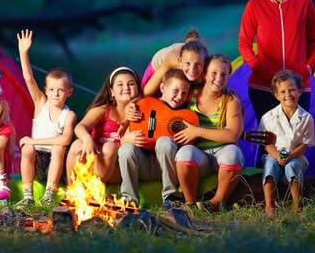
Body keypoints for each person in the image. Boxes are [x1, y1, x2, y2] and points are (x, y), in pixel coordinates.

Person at [238, 0, 315, 120]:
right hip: (263, 86)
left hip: (298, 85)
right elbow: (244, 43)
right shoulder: (254, 6)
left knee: (296, 139)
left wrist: (309, 67)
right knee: (268, 140)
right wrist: (257, 67)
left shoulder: (304, 2)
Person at [174, 55, 245, 212]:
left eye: (224, 75)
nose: (218, 78)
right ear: (205, 73)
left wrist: (197, 131)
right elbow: (167, 104)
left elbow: (232, 135)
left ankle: (216, 203)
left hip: (223, 152)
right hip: (200, 156)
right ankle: (190, 203)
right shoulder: (190, 94)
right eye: (214, 73)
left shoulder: (231, 100)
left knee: (234, 153)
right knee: (184, 153)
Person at [15, 29, 77, 207]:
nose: (55, 94)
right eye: (51, 90)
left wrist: (33, 141)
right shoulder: (41, 102)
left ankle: (49, 194)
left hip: (56, 165)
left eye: (60, 90)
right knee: (27, 149)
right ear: (46, 90)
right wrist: (23, 52)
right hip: (36, 163)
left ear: (69, 92)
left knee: (58, 148)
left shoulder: (69, 115)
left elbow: (65, 140)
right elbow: (28, 78)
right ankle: (28, 197)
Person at [119, 69, 191, 208]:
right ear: (163, 87)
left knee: (165, 141)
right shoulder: (145, 106)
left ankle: (171, 198)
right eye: (175, 90)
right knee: (126, 150)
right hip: (142, 165)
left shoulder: (186, 114)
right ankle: (129, 201)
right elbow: (123, 139)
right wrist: (127, 139)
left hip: (167, 167)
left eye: (184, 93)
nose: (179, 96)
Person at [66, 66, 141, 186]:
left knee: (110, 147)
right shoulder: (103, 110)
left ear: (137, 88)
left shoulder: (142, 113)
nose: (126, 88)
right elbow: (80, 126)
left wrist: (124, 141)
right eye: (120, 84)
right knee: (77, 144)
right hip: (93, 160)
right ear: (112, 92)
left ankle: (93, 193)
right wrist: (87, 139)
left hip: (116, 168)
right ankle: (71, 191)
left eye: (131, 84)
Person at [259, 71, 315, 216]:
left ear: (300, 91)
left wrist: (290, 156)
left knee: (292, 166)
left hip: (296, 156)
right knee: (270, 165)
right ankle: (269, 206)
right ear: (276, 95)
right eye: (283, 91)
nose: (288, 94)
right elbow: (266, 143)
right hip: (274, 154)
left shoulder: (306, 118)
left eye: (292, 90)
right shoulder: (268, 117)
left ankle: (297, 206)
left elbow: (304, 145)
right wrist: (277, 155)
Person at [142, 29, 208, 96]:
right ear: (180, 61)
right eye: (188, 63)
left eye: (199, 64)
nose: (192, 70)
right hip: (159, 66)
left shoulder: (206, 64)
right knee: (144, 95)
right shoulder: (172, 60)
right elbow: (146, 93)